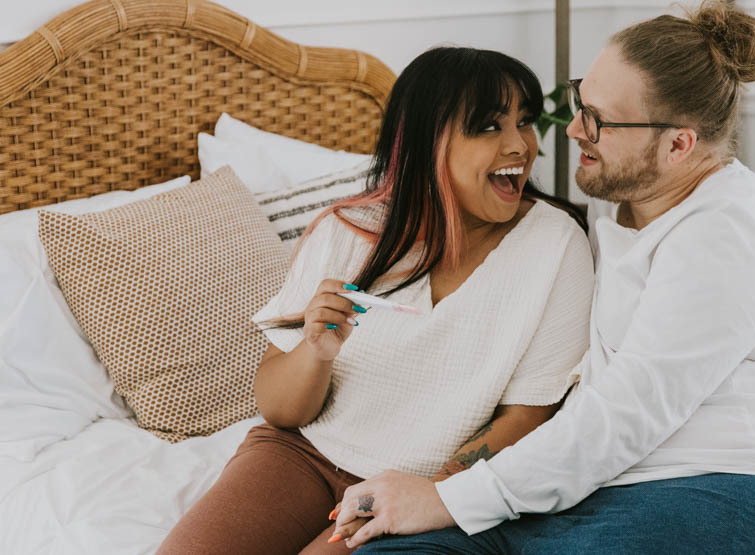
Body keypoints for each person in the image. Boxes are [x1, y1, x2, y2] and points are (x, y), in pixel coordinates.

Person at [326, 3, 755, 553]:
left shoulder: (734, 229)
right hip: (600, 490)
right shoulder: (616, 204)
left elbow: (629, 410)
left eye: (599, 120)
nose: (573, 130)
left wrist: (445, 498)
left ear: (678, 144)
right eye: (579, 101)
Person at [157, 47, 594, 555]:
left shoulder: (556, 245)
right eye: (489, 127)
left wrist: (431, 494)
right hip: (300, 457)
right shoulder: (346, 230)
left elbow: (527, 418)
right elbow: (279, 411)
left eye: (525, 122)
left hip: (420, 487)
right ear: (427, 141)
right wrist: (316, 352)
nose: (520, 145)